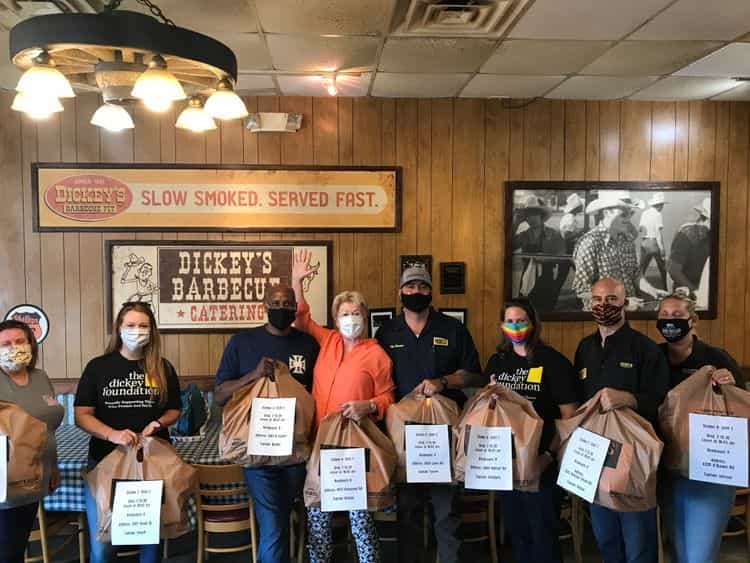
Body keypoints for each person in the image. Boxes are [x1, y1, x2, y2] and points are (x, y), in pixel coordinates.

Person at [291, 249, 395, 563]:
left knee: (360, 519)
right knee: (319, 516)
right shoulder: (329, 340)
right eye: (344, 313)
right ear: (336, 319)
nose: (351, 319)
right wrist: (298, 281)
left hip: (355, 446)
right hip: (321, 442)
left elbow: (390, 399)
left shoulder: (378, 355)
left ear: (365, 317)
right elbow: (301, 318)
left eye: (356, 313)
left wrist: (370, 405)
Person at [375, 265, 483, 563]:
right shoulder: (386, 332)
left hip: (444, 437)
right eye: (410, 287)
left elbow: (474, 376)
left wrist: (444, 382)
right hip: (404, 437)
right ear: (400, 292)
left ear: (431, 291)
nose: (416, 292)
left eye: (422, 287)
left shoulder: (453, 329)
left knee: (447, 513)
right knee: (407, 513)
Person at [214, 283, 319, 563]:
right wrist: (253, 375)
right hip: (257, 455)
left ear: (296, 308)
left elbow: (317, 394)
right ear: (265, 306)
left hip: (296, 454)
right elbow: (220, 396)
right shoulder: (241, 342)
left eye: (288, 304)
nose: (282, 308)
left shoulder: (308, 345)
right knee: (273, 523)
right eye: (276, 303)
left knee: (282, 520)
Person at [74, 302, 182, 563]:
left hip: (151, 462)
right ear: (119, 329)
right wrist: (112, 434)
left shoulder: (163, 367)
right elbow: (81, 415)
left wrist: (158, 423)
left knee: (149, 540)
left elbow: (174, 410)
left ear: (152, 331)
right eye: (131, 325)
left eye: (143, 325)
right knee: (104, 546)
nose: (137, 331)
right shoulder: (98, 367)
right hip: (105, 462)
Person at [573, 278, 670, 563]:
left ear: (625, 303)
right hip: (594, 455)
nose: (603, 306)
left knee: (638, 544)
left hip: (634, 457)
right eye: (597, 300)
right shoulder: (584, 348)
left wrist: (629, 399)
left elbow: (663, 404)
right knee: (605, 539)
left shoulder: (645, 349)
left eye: (611, 299)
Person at [484, 300, 580, 563]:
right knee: (518, 533)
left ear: (534, 323)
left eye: (521, 320)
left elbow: (570, 417)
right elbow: (488, 413)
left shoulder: (553, 362)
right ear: (503, 325)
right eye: (510, 321)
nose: (516, 326)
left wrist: (548, 456)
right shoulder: (497, 362)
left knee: (543, 535)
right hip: (507, 462)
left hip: (543, 463)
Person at [656, 291, 746, 563]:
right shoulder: (653, 357)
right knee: (677, 545)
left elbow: (741, 409)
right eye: (664, 316)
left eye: (677, 316)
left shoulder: (716, 358)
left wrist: (728, 385)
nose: (670, 321)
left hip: (709, 471)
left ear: (693, 321)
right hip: (666, 468)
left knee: (699, 554)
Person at [0, 320, 64, 563]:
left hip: (37, 474)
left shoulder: (40, 377)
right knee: (7, 551)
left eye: (19, 341)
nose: (13, 347)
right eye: (5, 343)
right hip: (6, 480)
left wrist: (54, 465)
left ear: (31, 345)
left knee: (17, 544)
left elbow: (48, 428)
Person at [573, 191, 665, 308]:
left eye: (631, 213)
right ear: (607, 212)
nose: (629, 218)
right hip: (603, 316)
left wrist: (652, 290)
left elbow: (635, 274)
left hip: (629, 312)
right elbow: (582, 290)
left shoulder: (627, 240)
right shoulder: (590, 242)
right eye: (624, 214)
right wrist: (623, 302)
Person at [511, 194, 567, 309]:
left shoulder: (554, 234)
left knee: (546, 312)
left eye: (534, 214)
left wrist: (556, 286)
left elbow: (563, 259)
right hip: (526, 280)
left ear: (541, 215)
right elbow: (508, 246)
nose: (531, 218)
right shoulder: (525, 235)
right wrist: (516, 222)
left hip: (547, 282)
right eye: (528, 215)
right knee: (527, 314)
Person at [668, 198, 711, 300]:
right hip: (686, 290)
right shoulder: (686, 234)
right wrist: (695, 291)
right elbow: (674, 270)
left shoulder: (711, 235)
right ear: (706, 219)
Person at [639, 193, 668, 290]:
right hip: (654, 242)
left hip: (644, 242)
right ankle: (665, 288)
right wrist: (662, 248)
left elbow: (641, 229)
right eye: (662, 205)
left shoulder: (644, 213)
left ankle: (637, 289)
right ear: (659, 205)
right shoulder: (658, 214)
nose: (663, 207)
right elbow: (658, 233)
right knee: (662, 268)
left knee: (642, 269)